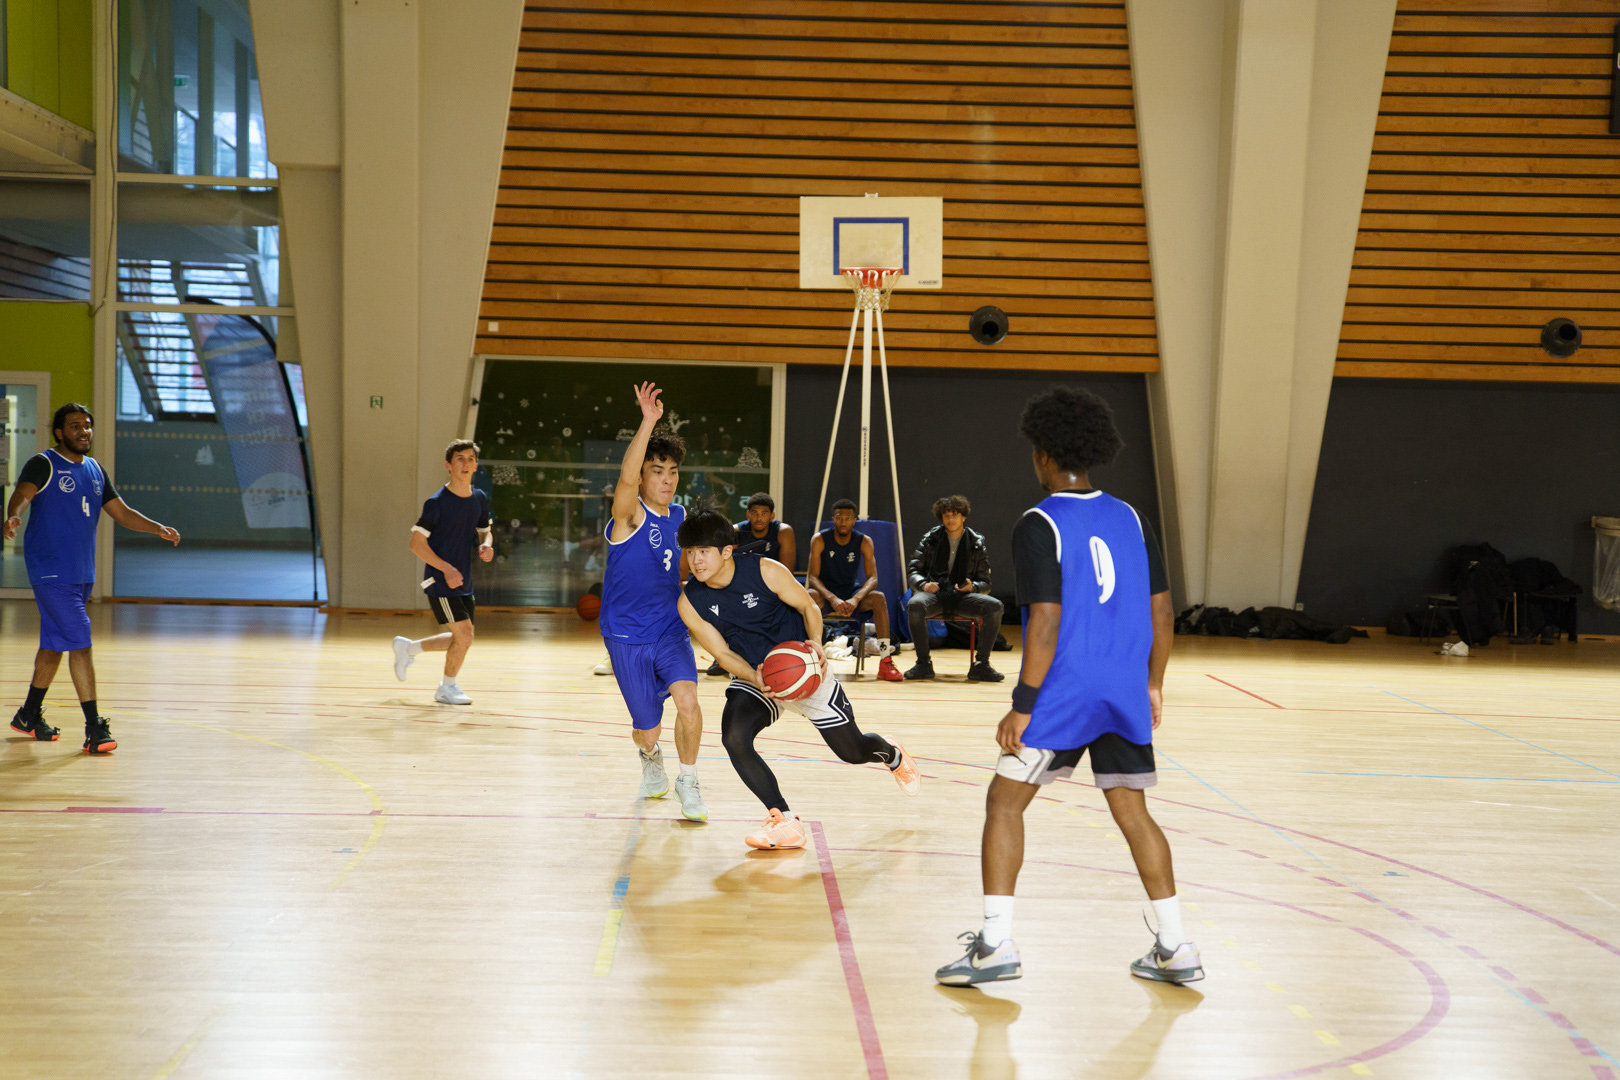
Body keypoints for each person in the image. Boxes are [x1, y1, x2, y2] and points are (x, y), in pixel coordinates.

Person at [935, 386, 1199, 988]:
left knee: (1004, 803)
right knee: (1133, 811)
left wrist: (1022, 704)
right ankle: (1176, 946)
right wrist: (1153, 684)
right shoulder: (1132, 517)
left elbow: (1046, 623)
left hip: (1065, 692)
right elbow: (1163, 611)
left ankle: (995, 945)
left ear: (1044, 454)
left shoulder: (1039, 523)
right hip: (1122, 689)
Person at [675, 507, 919, 849]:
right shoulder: (690, 602)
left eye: (703, 551)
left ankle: (891, 754)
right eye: (690, 552)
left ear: (726, 551)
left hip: (803, 667)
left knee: (852, 752)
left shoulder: (765, 570)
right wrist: (755, 676)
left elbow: (808, 607)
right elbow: (722, 653)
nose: (696, 560)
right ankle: (784, 819)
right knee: (734, 737)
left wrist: (816, 644)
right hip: (757, 674)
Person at [4, 403, 180, 753]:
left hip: (81, 573)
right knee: (80, 642)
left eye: (87, 425)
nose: (83, 431)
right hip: (51, 571)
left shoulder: (96, 469)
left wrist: (156, 528)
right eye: (74, 426)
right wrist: (13, 515)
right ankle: (94, 727)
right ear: (59, 432)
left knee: (54, 645)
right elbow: (22, 493)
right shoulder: (45, 463)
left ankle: (28, 715)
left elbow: (121, 512)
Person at [597, 382, 707, 822]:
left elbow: (686, 569)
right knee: (649, 730)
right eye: (657, 471)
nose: (667, 479)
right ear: (643, 476)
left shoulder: (680, 518)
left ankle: (689, 781)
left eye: (673, 472)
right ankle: (649, 754)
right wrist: (647, 422)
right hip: (626, 635)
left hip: (669, 630)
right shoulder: (628, 517)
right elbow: (625, 480)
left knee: (689, 702)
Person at [392, 440, 494, 704]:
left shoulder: (479, 498)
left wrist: (486, 544)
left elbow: (485, 530)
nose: (466, 464)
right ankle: (447, 688)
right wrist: (447, 569)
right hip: (440, 579)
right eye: (460, 459)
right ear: (448, 465)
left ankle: (408, 649)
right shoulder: (437, 503)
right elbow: (416, 544)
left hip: (463, 579)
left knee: (462, 637)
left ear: (476, 466)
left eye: (470, 459)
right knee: (465, 635)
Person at [904, 494, 1005, 682]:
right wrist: (924, 584)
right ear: (941, 518)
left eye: (955, 515)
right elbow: (913, 571)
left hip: (962, 597)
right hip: (935, 595)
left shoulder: (976, 542)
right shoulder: (930, 539)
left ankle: (981, 665)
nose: (951, 520)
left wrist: (973, 587)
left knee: (995, 606)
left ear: (963, 517)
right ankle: (923, 664)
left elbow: (986, 583)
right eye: (947, 516)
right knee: (915, 605)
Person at [702, 492, 798, 676]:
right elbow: (724, 566)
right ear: (748, 514)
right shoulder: (735, 532)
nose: (759, 518)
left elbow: (787, 572)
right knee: (721, 605)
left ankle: (787, 653)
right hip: (742, 588)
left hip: (773, 588)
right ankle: (723, 658)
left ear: (772, 516)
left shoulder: (783, 531)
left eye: (764, 513)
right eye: (754, 513)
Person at [806, 499, 901, 682]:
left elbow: (873, 578)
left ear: (854, 520)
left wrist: (856, 599)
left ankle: (885, 661)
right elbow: (812, 577)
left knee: (879, 598)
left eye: (848, 518)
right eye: (839, 517)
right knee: (810, 596)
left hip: (851, 592)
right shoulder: (820, 539)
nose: (843, 522)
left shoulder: (864, 541)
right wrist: (832, 598)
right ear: (833, 519)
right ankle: (810, 658)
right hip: (827, 593)